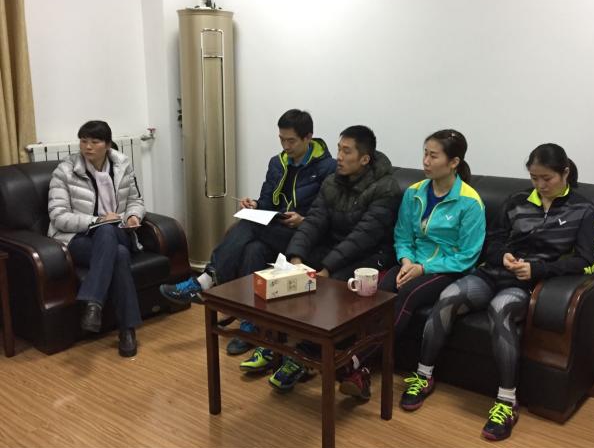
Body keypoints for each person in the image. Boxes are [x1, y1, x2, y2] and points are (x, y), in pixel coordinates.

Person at [402, 143, 594, 441]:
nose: (540, 185)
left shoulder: (583, 210)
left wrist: (537, 269)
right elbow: (492, 241)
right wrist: (502, 255)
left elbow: (587, 261)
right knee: (448, 298)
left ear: (565, 172)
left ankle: (507, 402)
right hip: (492, 273)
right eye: (534, 178)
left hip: (526, 284)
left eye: (547, 178)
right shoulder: (517, 200)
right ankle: (423, 375)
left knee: (500, 309)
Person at [159, 109, 336, 355]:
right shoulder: (277, 163)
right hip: (276, 230)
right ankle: (251, 324)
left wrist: (304, 220)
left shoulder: (328, 168)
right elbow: (267, 202)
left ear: (308, 137)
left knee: (250, 225)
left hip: (305, 236)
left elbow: (329, 213)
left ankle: (206, 279)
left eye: (291, 141)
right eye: (281, 139)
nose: (285, 146)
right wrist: (254, 205)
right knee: (253, 248)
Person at [250, 125, 402, 392]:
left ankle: (305, 355)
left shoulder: (386, 188)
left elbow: (363, 237)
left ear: (364, 159)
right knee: (285, 267)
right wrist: (296, 258)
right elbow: (314, 221)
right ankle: (272, 341)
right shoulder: (333, 180)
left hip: (370, 256)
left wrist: (327, 270)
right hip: (334, 247)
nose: (339, 156)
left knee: (332, 287)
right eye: (339, 149)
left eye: (346, 151)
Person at [338, 129, 486, 400]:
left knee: (406, 294)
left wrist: (423, 268)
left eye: (433, 156)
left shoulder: (470, 202)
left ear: (454, 162)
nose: (426, 161)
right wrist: (407, 261)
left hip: (446, 269)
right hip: (412, 262)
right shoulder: (415, 192)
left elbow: (467, 255)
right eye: (425, 154)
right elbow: (403, 235)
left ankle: (354, 360)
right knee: (380, 293)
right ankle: (360, 370)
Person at [48, 120, 145, 357]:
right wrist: (97, 220)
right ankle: (127, 330)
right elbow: (58, 216)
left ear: (108, 145)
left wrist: (133, 216)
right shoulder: (64, 171)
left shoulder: (122, 165)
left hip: (119, 231)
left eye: (94, 141)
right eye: (83, 141)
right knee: (118, 253)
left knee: (108, 233)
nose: (88, 146)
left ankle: (93, 302)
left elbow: (135, 201)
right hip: (78, 238)